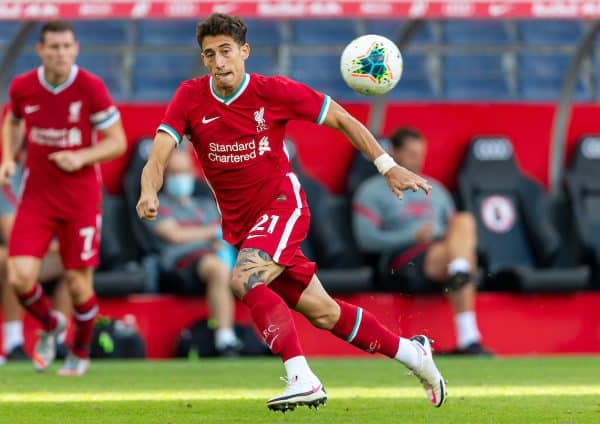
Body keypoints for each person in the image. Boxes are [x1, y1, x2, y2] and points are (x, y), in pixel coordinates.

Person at [136, 13, 446, 411]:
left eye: (226, 51)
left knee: (244, 278)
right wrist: (149, 190)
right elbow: (159, 151)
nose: (218, 62)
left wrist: (388, 166)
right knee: (324, 312)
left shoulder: (273, 91)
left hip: (282, 205)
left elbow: (340, 118)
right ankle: (414, 354)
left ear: (244, 52)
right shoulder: (190, 97)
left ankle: (302, 377)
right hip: (244, 226)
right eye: (209, 54)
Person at [0, 20, 127, 375]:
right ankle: (52, 324)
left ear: (76, 49)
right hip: (37, 197)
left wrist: (81, 157)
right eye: (53, 47)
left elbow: (117, 141)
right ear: (40, 50)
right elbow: (12, 120)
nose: (61, 53)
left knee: (77, 284)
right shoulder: (24, 86)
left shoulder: (90, 86)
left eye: (67, 46)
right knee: (20, 276)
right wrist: (9, 159)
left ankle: (79, 352)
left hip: (80, 199)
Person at [353, 127, 491, 355]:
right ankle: (469, 336)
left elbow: (458, 233)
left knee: (464, 220)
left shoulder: (437, 189)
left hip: (441, 252)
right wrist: (411, 237)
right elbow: (366, 239)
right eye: (411, 154)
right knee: (461, 257)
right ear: (393, 153)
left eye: (421, 154)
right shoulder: (371, 191)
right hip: (403, 258)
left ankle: (459, 271)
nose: (418, 160)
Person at [146, 147, 241, 355]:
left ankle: (270, 337)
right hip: (178, 262)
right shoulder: (155, 204)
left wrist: (217, 238)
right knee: (218, 268)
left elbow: (227, 234)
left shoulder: (206, 205)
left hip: (214, 257)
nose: (180, 178)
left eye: (184, 172)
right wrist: (213, 233)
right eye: (174, 173)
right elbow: (174, 235)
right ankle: (225, 339)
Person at [0, 158, 71, 361]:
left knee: (74, 264)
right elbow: (12, 235)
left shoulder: (58, 181)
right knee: (12, 261)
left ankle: (57, 341)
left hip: (37, 253)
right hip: (9, 252)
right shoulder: (9, 178)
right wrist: (54, 245)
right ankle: (13, 343)